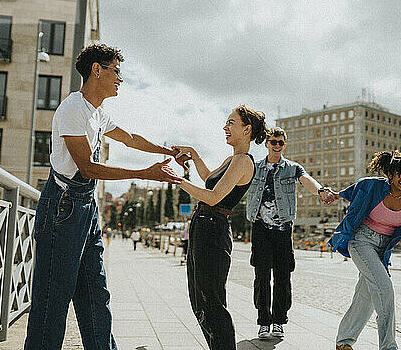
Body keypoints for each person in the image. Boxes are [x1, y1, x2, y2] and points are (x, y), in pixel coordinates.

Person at [25, 44, 185, 350]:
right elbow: (88, 166)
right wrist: (144, 173)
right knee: (52, 301)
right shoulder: (72, 110)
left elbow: (131, 139)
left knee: (95, 291)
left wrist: (169, 151)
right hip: (63, 207)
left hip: (86, 209)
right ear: (97, 70)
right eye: (117, 71)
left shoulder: (97, 112)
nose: (120, 79)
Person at [173, 105, 268, 350]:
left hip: (213, 229)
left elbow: (214, 196)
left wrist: (176, 181)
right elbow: (208, 178)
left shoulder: (244, 161)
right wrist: (193, 153)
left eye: (231, 123)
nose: (225, 127)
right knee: (199, 299)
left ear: (246, 129)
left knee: (211, 301)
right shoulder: (232, 159)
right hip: (203, 225)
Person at [327, 150, 401, 350]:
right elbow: (355, 189)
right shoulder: (373, 186)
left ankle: (344, 342)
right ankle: (389, 346)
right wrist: (335, 195)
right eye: (400, 174)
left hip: (382, 249)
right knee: (384, 288)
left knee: (366, 295)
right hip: (361, 241)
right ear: (391, 174)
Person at [246, 127, 334, 339]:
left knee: (283, 277)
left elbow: (307, 181)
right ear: (266, 143)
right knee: (262, 276)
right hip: (260, 229)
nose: (276, 145)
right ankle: (263, 321)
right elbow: (237, 183)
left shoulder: (292, 168)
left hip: (283, 229)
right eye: (273, 142)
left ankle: (279, 320)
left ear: (284, 145)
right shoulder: (254, 167)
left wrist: (321, 190)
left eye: (280, 143)